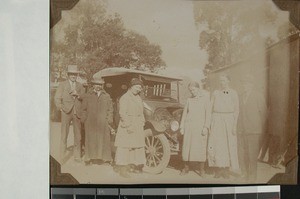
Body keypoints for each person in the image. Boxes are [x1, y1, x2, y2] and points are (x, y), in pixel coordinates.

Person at [207, 74, 240, 178]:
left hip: (229, 120)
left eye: (224, 80)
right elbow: (210, 108)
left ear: (228, 81)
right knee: (217, 145)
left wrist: (234, 125)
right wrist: (210, 123)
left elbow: (236, 110)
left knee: (227, 145)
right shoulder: (215, 93)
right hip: (217, 119)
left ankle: (226, 170)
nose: (222, 83)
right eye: (221, 81)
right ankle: (218, 169)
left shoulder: (233, 93)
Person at [237, 74, 267, 182]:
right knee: (243, 155)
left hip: (254, 131)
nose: (244, 85)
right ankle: (245, 175)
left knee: (252, 155)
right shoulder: (240, 97)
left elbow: (263, 114)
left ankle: (252, 177)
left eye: (246, 83)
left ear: (251, 85)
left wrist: (259, 128)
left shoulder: (258, 96)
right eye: (243, 83)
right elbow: (239, 114)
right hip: (242, 131)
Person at [114, 78, 146, 178]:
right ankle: (122, 169)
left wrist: (142, 120)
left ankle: (135, 167)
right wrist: (128, 125)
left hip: (137, 124)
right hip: (127, 125)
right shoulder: (125, 97)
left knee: (137, 147)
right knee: (125, 147)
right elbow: (122, 113)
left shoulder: (138, 97)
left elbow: (141, 111)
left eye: (140, 88)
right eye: (137, 87)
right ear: (131, 86)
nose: (138, 89)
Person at [179, 81, 211, 177]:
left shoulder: (205, 99)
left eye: (193, 89)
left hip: (200, 127)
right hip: (189, 127)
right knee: (187, 148)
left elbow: (208, 114)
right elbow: (185, 114)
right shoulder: (189, 100)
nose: (192, 92)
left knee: (200, 148)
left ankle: (201, 170)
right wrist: (182, 127)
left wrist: (206, 127)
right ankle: (186, 168)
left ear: (198, 88)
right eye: (190, 90)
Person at [54, 65, 85, 163]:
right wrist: (60, 108)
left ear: (77, 75)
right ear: (68, 75)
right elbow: (57, 98)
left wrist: (78, 95)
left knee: (78, 135)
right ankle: (62, 156)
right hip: (66, 112)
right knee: (64, 134)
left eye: (75, 74)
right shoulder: (62, 84)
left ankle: (77, 156)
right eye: (71, 74)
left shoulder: (80, 85)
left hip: (77, 112)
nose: (73, 76)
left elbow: (84, 97)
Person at [80, 77, 114, 166]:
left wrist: (109, 119)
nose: (98, 86)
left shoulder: (107, 96)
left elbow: (110, 109)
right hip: (90, 122)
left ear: (102, 85)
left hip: (103, 122)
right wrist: (84, 120)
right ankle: (89, 159)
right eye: (96, 84)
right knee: (90, 140)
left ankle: (104, 159)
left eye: (100, 84)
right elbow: (83, 109)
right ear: (93, 85)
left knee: (103, 140)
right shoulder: (88, 95)